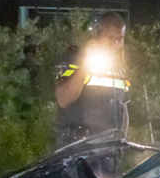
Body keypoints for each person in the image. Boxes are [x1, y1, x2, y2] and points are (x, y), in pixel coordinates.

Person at [55, 12, 131, 150]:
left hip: (107, 153)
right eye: (110, 38)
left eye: (120, 39)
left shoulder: (120, 69)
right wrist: (85, 64)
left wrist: (122, 143)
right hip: (77, 152)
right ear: (97, 35)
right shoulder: (74, 58)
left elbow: (123, 110)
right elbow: (63, 99)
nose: (115, 44)